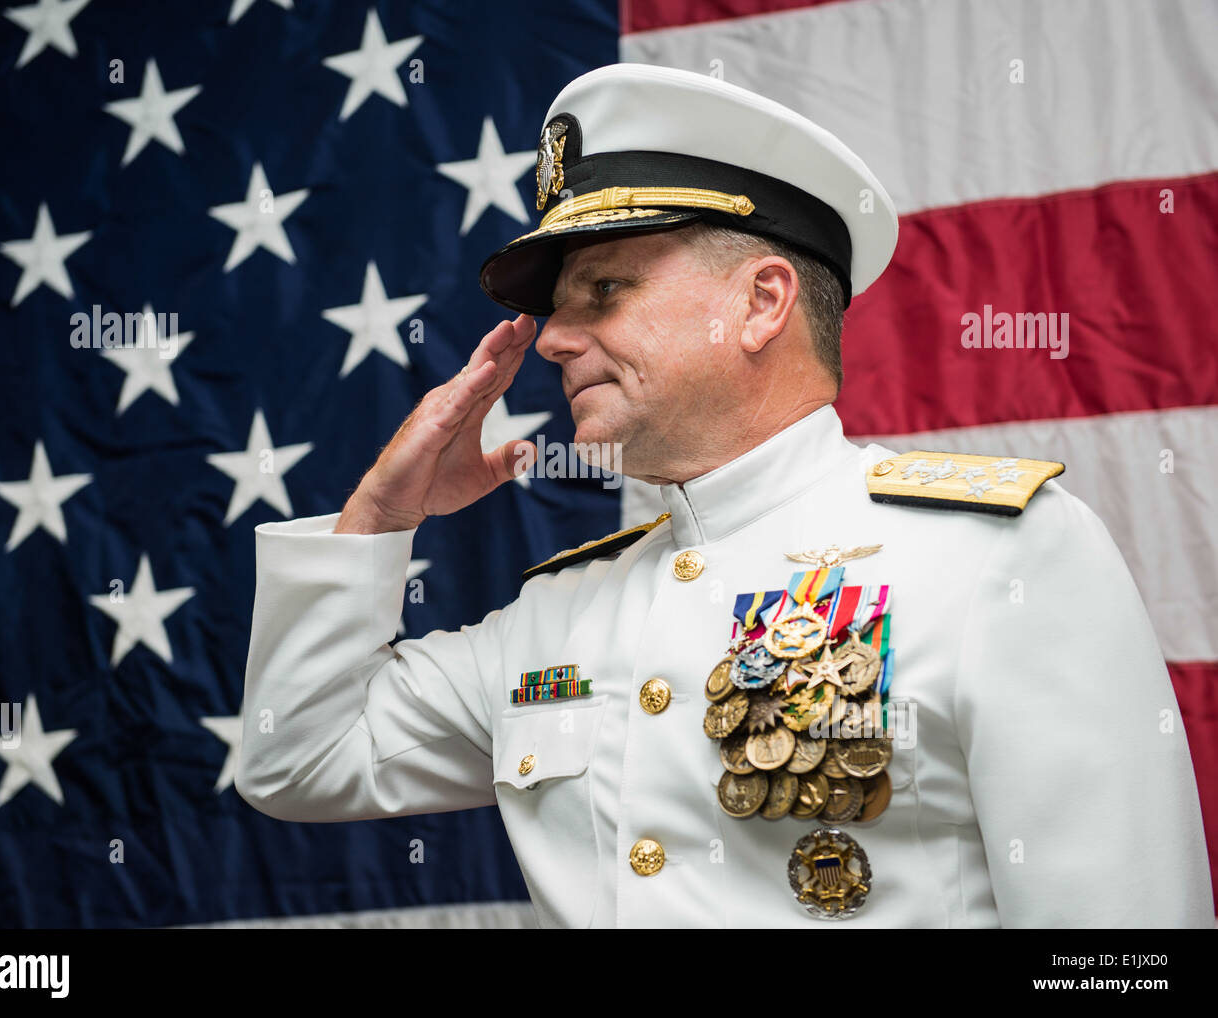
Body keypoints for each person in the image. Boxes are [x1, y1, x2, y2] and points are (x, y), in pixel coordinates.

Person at [236, 64, 1213, 927]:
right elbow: (296, 760)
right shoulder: (557, 614)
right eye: (553, 308)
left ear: (760, 302)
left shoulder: (1004, 558)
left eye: (603, 291)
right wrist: (378, 517)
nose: (556, 339)